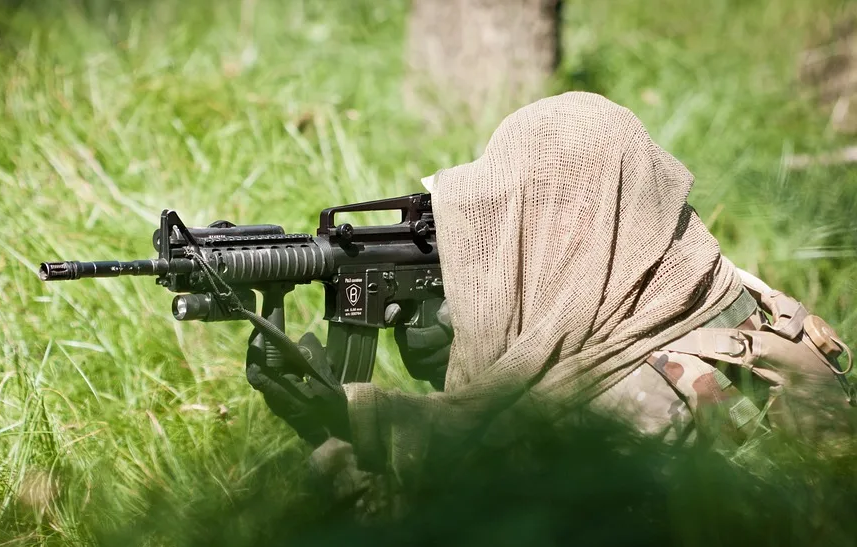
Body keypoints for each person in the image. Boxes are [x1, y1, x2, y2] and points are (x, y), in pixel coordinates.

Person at [245, 92, 855, 503]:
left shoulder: (651, 394)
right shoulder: (697, 283)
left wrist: (344, 429)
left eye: (528, 212)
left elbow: (476, 522)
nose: (512, 235)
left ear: (583, 220)